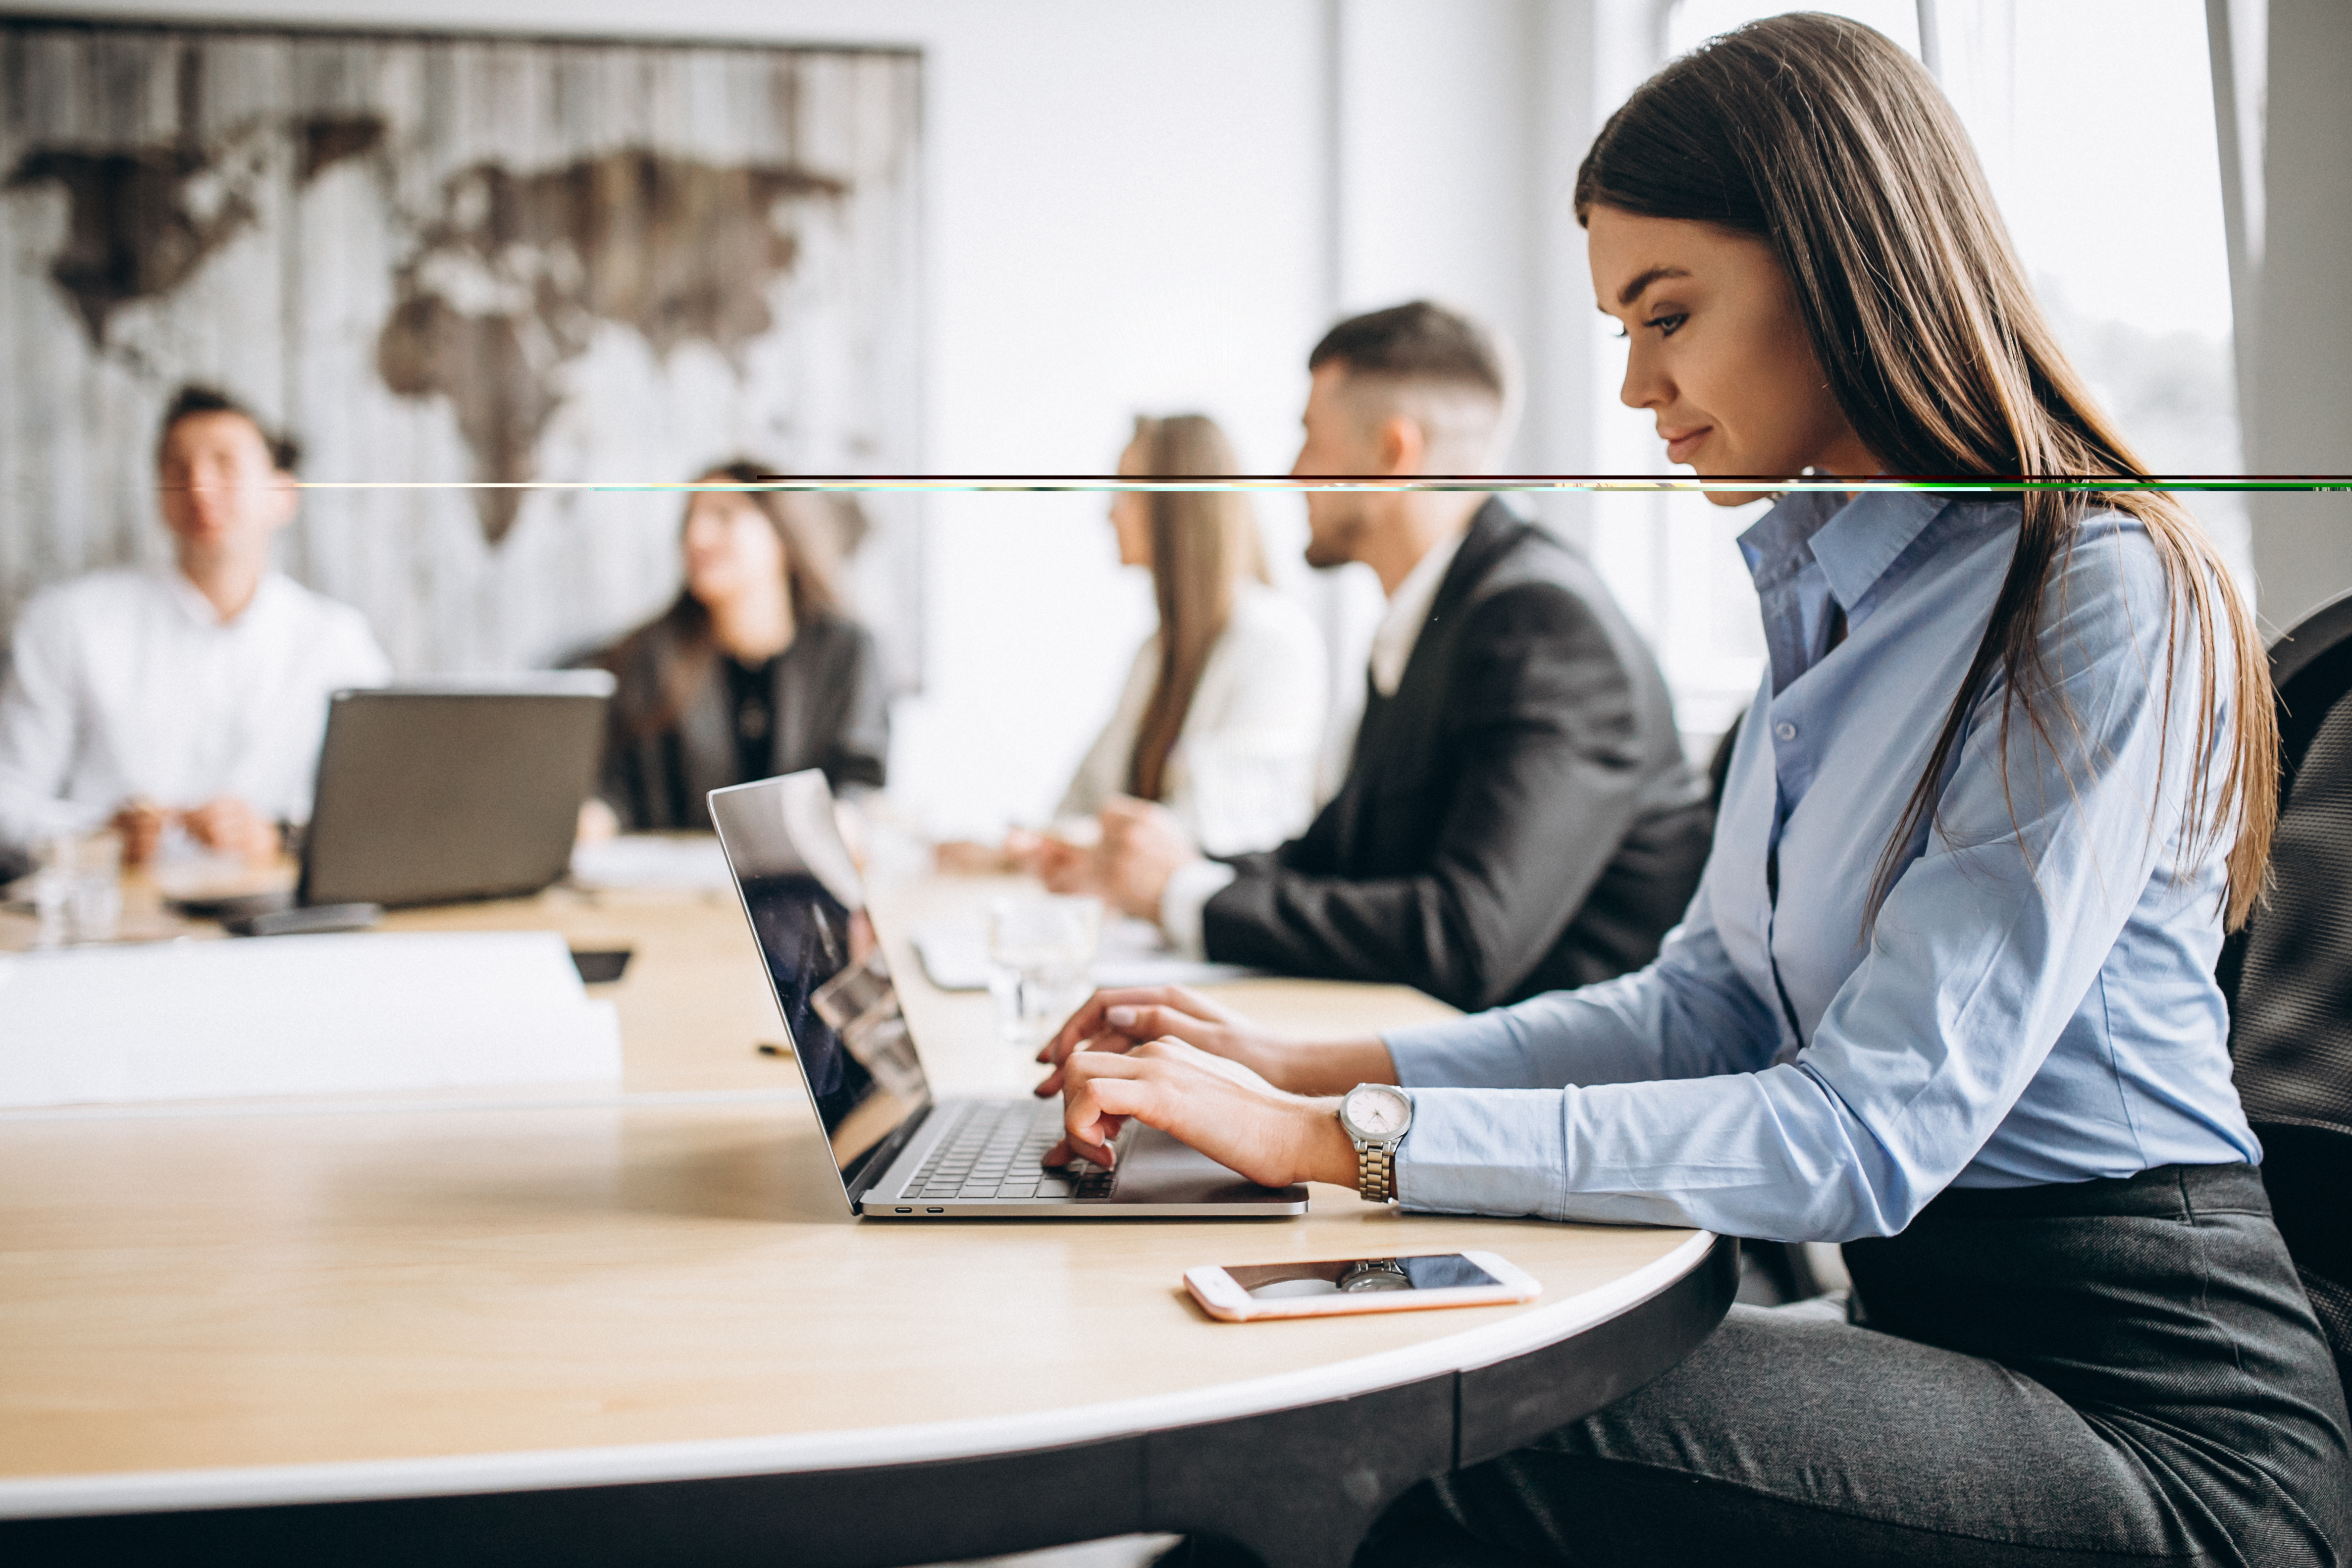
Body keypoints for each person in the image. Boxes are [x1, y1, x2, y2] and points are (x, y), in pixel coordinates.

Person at [1037, 17, 2351, 1566]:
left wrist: (1332, 1135)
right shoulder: (1831, 597)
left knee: (1394, 1433)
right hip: (1937, 1331)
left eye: (1666, 314)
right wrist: (1285, 1063)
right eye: (1619, 326)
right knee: (1353, 1385)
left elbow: (1858, 1131)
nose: (1632, 385)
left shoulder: (2089, 588)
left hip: (2156, 1415)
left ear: (1844, 269)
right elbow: (1702, 1005)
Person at [1057, 302, 1710, 1012]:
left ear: (1393, 454)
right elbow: (1335, 860)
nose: (1292, 474)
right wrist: (1165, 869)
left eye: (1311, 438)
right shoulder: (1436, 616)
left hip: (1570, 1065)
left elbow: (1467, 938)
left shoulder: (1545, 626)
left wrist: (1183, 893)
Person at [0, 385, 390, 868]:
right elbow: (9, 794)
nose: (199, 487)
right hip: (113, 905)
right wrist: (96, 835)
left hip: (277, 907)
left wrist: (280, 836)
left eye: (225, 465)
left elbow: (384, 807)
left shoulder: (338, 643)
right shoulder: (68, 622)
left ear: (282, 495)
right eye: (177, 469)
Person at [946, 414, 1326, 870]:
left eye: (1127, 489)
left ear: (1177, 506)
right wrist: (1012, 849)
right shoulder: (1155, 654)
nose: (1109, 513)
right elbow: (1085, 799)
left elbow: (1211, 829)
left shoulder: (1273, 643)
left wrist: (1055, 844)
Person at [584, 462, 887, 833]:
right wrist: (597, 816)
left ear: (781, 533)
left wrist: (848, 818)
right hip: (674, 866)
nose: (697, 536)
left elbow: (861, 777)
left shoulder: (846, 651)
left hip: (800, 863)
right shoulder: (649, 656)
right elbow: (619, 787)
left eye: (723, 515)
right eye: (690, 520)